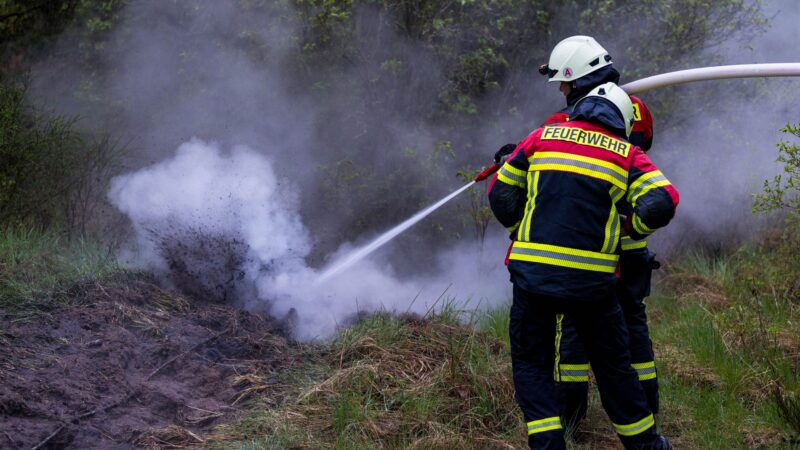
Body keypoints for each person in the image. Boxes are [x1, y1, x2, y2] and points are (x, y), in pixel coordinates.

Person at [487, 82, 678, 449]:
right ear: (622, 121)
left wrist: (521, 228)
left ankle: (549, 444)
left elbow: (502, 194)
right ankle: (647, 445)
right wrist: (631, 227)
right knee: (614, 368)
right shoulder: (625, 153)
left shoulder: (540, 137)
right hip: (592, 283)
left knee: (532, 365)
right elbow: (663, 201)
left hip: (532, 277)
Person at [539, 35, 661, 427]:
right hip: (631, 241)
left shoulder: (562, 122)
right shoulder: (636, 109)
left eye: (565, 83)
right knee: (633, 322)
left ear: (579, 78)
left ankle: (571, 419)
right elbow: (641, 148)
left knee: (575, 327)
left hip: (590, 246)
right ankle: (647, 409)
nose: (561, 90)